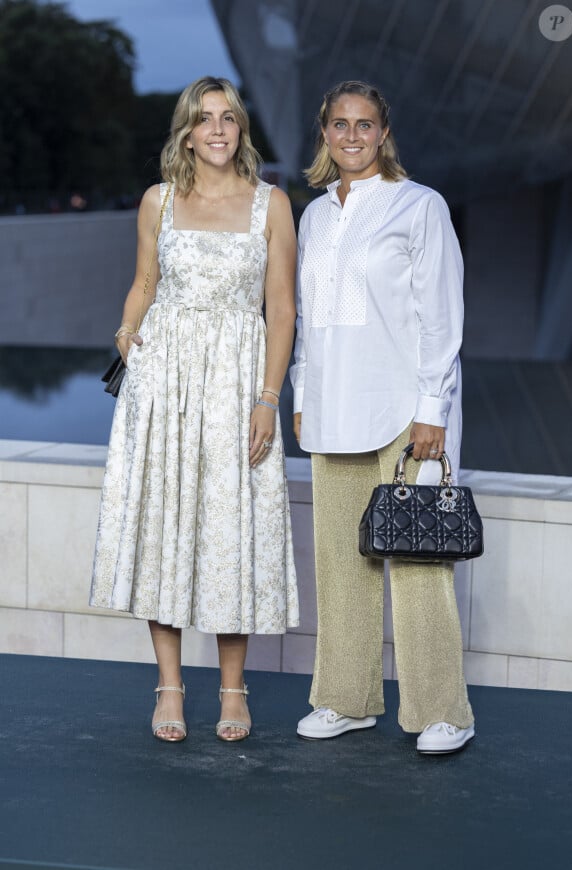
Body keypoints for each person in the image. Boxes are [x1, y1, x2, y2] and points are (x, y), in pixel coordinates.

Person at [90, 77, 299, 743]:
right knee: (167, 528)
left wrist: (269, 398)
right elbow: (145, 284)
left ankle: (234, 692)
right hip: (167, 383)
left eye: (229, 118)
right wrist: (126, 334)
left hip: (239, 381)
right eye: (205, 118)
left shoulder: (273, 204)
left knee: (228, 530)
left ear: (241, 129)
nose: (217, 129)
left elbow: (283, 308)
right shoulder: (158, 201)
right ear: (185, 130)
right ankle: (170, 685)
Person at [291, 80, 474, 754]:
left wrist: (433, 411)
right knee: (342, 563)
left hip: (405, 412)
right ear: (325, 134)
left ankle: (443, 710)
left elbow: (442, 318)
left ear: (384, 132)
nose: (352, 136)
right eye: (340, 125)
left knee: (418, 561)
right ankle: (347, 698)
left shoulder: (420, 207)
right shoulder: (313, 218)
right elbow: (309, 323)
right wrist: (303, 397)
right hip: (335, 407)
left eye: (364, 125)